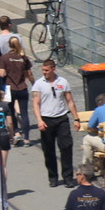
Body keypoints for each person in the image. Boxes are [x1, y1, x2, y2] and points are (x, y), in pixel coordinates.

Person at [31, 59, 80, 188]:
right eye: (43, 70)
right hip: (46, 120)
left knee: (66, 147)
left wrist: (76, 118)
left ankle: (68, 177)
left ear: (53, 69)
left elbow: (70, 101)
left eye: (47, 70)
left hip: (61, 118)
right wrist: (39, 120)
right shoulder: (38, 84)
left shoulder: (63, 82)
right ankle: (53, 177)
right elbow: (35, 104)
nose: (44, 73)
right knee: (48, 150)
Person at [0, 36, 33, 146]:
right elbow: (29, 74)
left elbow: (2, 74)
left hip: (10, 88)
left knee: (11, 112)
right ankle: (27, 138)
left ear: (9, 45)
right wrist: (34, 84)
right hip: (22, 88)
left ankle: (16, 133)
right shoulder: (23, 57)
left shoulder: (5, 58)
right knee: (24, 113)